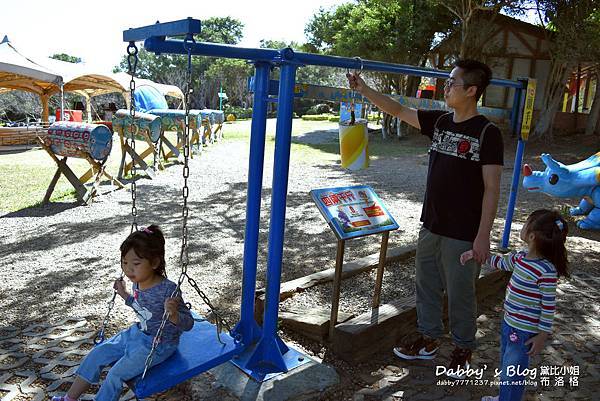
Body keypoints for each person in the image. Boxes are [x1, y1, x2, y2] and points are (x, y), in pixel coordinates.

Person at [347, 59, 504, 376]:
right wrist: (363, 89)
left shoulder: (488, 133)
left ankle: (463, 347)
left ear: (472, 90)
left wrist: (483, 236)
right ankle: (429, 338)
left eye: (452, 83)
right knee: (427, 285)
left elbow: (492, 188)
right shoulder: (441, 122)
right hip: (431, 225)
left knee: (461, 293)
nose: (446, 87)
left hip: (463, 233)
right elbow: (398, 110)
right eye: (447, 81)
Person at [51, 225, 194, 401]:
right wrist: (124, 294)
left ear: (155, 263)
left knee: (115, 375)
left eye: (135, 264)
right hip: (137, 333)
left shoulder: (168, 290)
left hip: (159, 344)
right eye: (124, 263)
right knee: (97, 354)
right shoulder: (138, 281)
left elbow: (188, 323)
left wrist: (173, 315)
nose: (128, 269)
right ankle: (70, 398)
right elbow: (141, 308)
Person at [462, 209, 568, 401]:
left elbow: (548, 306)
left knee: (513, 373)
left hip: (524, 333)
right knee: (506, 364)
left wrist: (542, 334)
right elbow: (500, 262)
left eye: (526, 222)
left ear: (532, 235)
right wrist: (475, 254)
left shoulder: (546, 270)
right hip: (509, 323)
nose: (523, 225)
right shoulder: (520, 258)